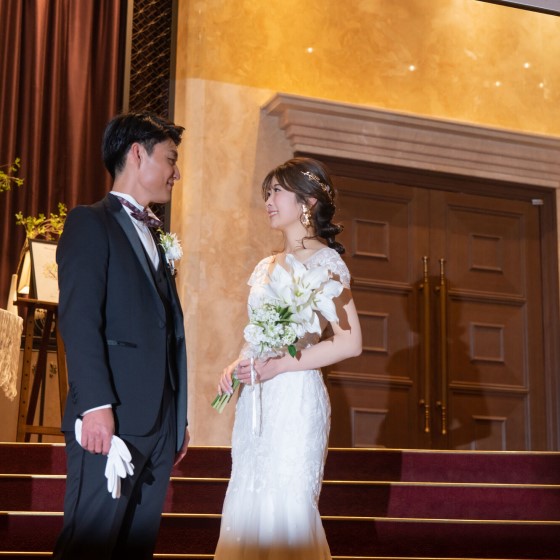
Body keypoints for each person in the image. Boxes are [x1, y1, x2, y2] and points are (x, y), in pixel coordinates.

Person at [52, 112, 189, 560]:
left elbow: (167, 331)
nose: (176, 172)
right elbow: (79, 320)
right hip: (110, 419)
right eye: (170, 159)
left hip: (159, 423)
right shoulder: (90, 223)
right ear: (137, 154)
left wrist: (177, 418)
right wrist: (95, 406)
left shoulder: (156, 233)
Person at [214, 157, 362, 559]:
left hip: (296, 397)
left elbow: (350, 341)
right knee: (248, 501)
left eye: (277, 191)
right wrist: (238, 365)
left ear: (308, 202)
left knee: (287, 509)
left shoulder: (326, 263)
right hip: (258, 400)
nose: (268, 201)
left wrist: (282, 365)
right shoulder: (266, 266)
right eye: (267, 193)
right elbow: (257, 333)